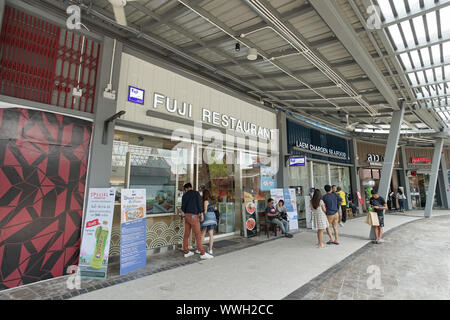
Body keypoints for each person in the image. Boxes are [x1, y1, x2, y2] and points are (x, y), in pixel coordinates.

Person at [181, 183, 213, 259]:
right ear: (191, 187)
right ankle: (202, 253)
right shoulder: (196, 193)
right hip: (193, 216)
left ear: (185, 189)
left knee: (186, 234)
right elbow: (199, 204)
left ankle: (186, 251)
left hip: (187, 216)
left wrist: (186, 212)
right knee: (198, 235)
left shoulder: (184, 196)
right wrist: (201, 213)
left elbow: (183, 208)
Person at [198, 189, 217, 255]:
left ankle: (200, 249)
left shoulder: (206, 201)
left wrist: (201, 214)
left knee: (203, 234)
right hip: (213, 217)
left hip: (207, 217)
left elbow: (205, 211)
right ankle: (210, 249)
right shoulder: (213, 200)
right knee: (211, 234)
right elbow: (215, 209)